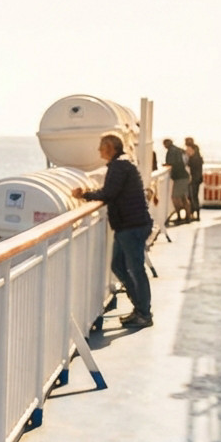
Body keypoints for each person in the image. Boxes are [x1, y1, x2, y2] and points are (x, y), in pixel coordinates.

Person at [72, 134, 154, 328]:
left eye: (101, 147)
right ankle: (140, 309)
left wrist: (84, 194)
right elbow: (112, 190)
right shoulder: (122, 165)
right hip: (128, 226)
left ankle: (144, 313)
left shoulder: (119, 166)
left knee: (136, 270)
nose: (99, 150)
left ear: (110, 148)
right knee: (118, 266)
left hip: (131, 227)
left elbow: (109, 193)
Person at [163, 137, 189, 224]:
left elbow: (171, 162)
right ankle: (187, 217)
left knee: (175, 198)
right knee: (183, 197)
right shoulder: (179, 150)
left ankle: (179, 216)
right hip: (184, 176)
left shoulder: (172, 151)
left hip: (180, 178)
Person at [185, 137, 204, 222]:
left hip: (194, 180)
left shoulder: (193, 159)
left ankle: (194, 214)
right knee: (194, 196)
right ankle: (196, 214)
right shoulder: (198, 158)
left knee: (192, 196)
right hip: (197, 179)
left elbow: (191, 169)